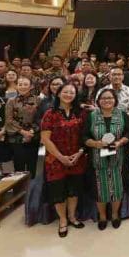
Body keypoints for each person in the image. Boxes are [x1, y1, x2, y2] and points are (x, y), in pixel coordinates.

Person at [40, 83, 87, 237]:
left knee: (73, 190)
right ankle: (62, 220)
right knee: (58, 191)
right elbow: (45, 139)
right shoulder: (50, 114)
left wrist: (79, 153)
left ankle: (72, 216)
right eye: (65, 92)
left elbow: (86, 136)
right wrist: (61, 157)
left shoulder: (81, 113)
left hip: (77, 158)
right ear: (58, 94)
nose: (68, 94)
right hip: (55, 159)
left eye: (72, 92)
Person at [83, 88, 129, 229]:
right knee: (100, 190)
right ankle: (103, 216)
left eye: (110, 98)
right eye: (103, 98)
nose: (107, 101)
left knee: (117, 189)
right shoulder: (92, 116)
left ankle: (115, 214)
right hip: (97, 161)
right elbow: (84, 137)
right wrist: (95, 144)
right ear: (98, 101)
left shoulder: (122, 115)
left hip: (118, 159)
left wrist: (120, 142)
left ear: (115, 100)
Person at [5, 76, 41, 177]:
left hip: (33, 135)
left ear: (31, 86)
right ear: (16, 86)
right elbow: (9, 120)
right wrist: (23, 132)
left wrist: (31, 132)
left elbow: (40, 118)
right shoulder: (11, 101)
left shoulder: (38, 99)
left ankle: (32, 189)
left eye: (25, 84)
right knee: (18, 165)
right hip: (16, 136)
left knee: (32, 165)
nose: (23, 86)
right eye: (20, 84)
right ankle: (20, 190)